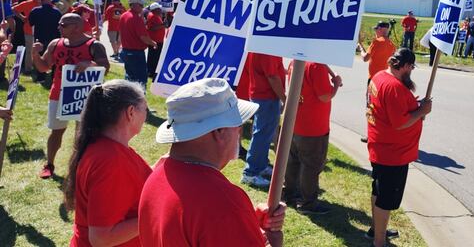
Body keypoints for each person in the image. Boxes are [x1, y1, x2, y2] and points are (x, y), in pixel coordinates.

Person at [138, 78, 286, 247]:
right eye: (238, 124)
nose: (239, 131)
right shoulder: (223, 204)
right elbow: (210, 216)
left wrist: (246, 221)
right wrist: (272, 241)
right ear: (220, 131)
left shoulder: (157, 175)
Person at [64, 80, 151, 247]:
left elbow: (131, 181)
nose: (146, 116)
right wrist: (154, 214)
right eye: (145, 109)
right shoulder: (110, 162)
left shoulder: (106, 147)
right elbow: (101, 239)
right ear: (130, 112)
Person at [31, 13, 110, 180]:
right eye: (59, 24)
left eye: (63, 25)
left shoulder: (94, 45)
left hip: (84, 95)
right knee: (56, 131)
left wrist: (91, 64)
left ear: (76, 27)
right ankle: (50, 164)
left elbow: (105, 66)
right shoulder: (55, 43)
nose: (58, 27)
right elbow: (43, 67)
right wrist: (34, 54)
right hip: (58, 94)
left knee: (81, 133)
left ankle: (77, 167)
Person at [366, 48, 432, 247]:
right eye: (411, 67)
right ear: (404, 66)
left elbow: (392, 109)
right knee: (386, 198)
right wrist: (421, 111)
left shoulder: (379, 76)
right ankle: (379, 241)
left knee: (378, 190)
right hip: (393, 153)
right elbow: (400, 122)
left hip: (380, 146)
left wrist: (415, 105)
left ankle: (375, 230)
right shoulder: (394, 87)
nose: (411, 71)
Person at [283, 61, 342, 214]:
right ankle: (307, 203)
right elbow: (325, 96)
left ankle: (289, 194)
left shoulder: (296, 60)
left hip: (296, 123)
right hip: (313, 127)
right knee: (310, 166)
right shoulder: (317, 66)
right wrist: (336, 85)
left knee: (293, 163)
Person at [240, 52, 286, 187]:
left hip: (262, 95)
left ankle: (260, 166)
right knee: (262, 135)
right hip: (267, 97)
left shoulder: (260, 45)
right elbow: (272, 76)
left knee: (262, 133)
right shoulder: (268, 49)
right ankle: (250, 173)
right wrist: (284, 98)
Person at [119, 0, 157, 89]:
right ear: (134, 5)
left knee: (129, 77)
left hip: (126, 51)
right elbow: (143, 37)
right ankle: (140, 99)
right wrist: (153, 43)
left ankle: (128, 97)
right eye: (140, 5)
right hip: (136, 53)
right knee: (141, 80)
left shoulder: (123, 15)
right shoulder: (136, 18)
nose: (142, 7)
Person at [28, 0, 62, 83]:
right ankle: (54, 77)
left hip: (40, 38)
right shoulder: (57, 12)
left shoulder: (35, 11)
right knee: (55, 57)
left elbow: (31, 23)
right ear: (50, 1)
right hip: (54, 38)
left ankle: (41, 77)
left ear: (41, 1)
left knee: (40, 57)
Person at [12, 0, 42, 74]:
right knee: (29, 50)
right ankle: (28, 69)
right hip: (29, 30)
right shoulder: (27, 3)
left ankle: (38, 67)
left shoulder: (43, 4)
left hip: (40, 31)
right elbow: (14, 9)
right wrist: (22, 17)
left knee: (39, 50)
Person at [360, 21, 397, 86]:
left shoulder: (376, 42)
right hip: (385, 78)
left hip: (374, 77)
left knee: (370, 96)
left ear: (380, 29)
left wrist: (361, 49)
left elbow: (365, 58)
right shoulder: (392, 45)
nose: (375, 32)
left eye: (376, 29)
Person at [146, 2, 166, 78]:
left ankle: (151, 71)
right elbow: (151, 28)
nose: (160, 10)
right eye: (159, 8)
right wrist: (163, 25)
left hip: (157, 40)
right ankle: (151, 72)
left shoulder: (155, 15)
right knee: (154, 57)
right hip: (155, 40)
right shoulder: (152, 16)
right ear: (156, 9)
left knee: (154, 56)